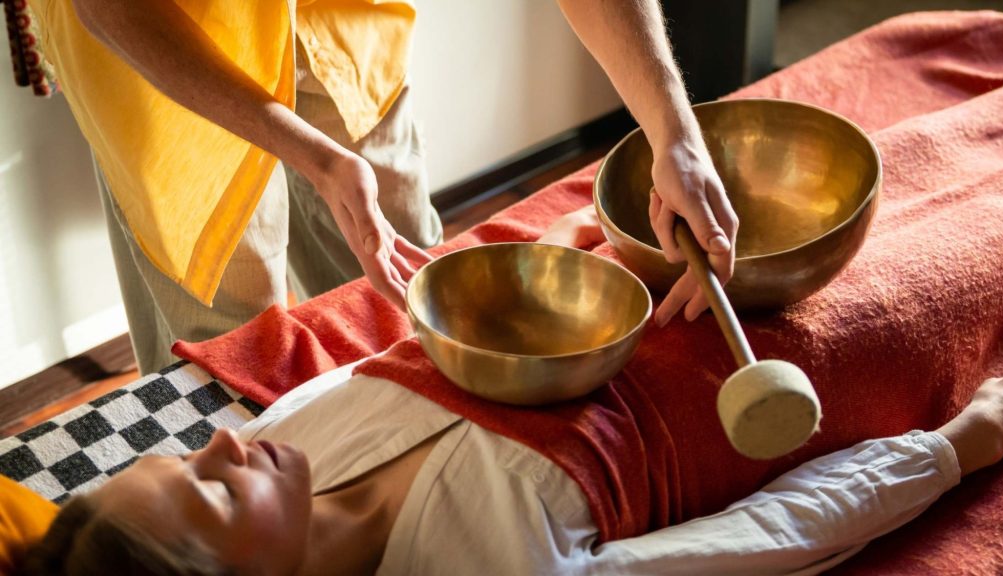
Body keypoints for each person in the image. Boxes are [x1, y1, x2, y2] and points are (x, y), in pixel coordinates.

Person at [34, 0, 735, 375]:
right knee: (235, 359)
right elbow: (111, 7)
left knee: (424, 296)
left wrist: (671, 129)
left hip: (335, 20)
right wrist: (313, 153)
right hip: (168, 41)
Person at [14, 344, 1003, 575]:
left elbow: (439, 340)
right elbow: (768, 539)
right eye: (210, 490)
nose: (228, 437)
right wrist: (961, 444)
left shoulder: (296, 438)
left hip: (675, 279)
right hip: (793, 379)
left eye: (191, 451)